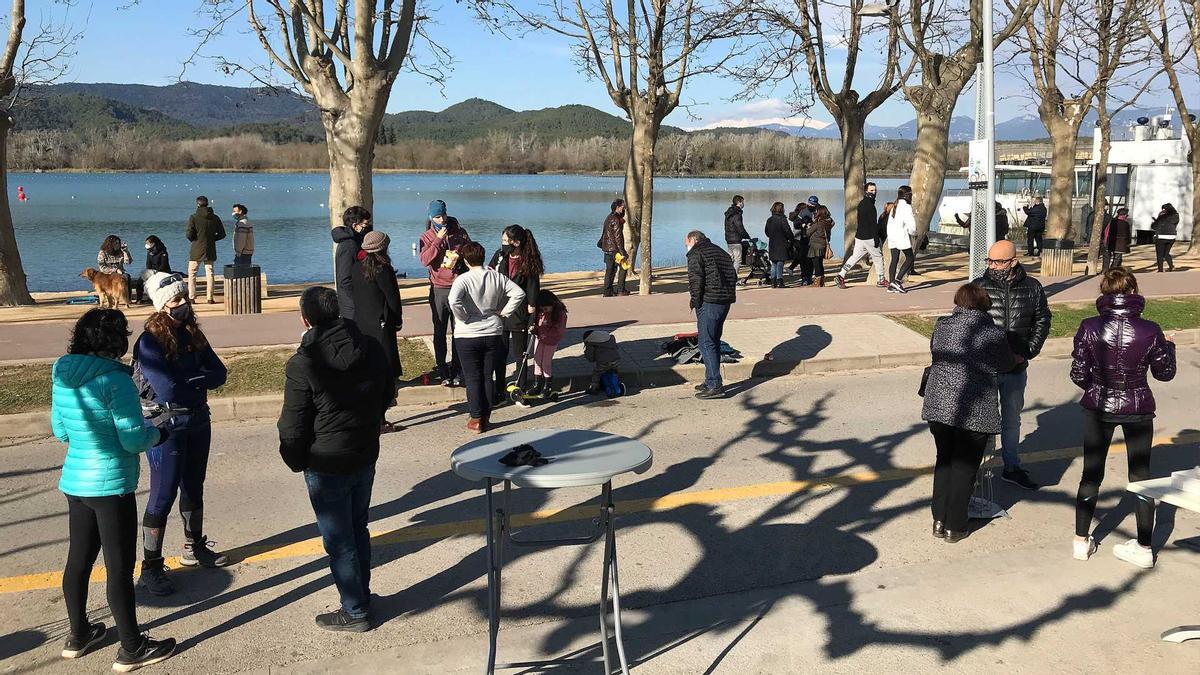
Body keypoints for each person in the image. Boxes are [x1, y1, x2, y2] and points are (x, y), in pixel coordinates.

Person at [51, 309, 178, 671]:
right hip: (111, 485)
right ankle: (132, 648)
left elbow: (61, 431)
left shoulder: (62, 372)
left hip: (76, 482)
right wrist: (158, 430)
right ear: (114, 341)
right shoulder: (116, 381)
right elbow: (132, 439)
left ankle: (78, 635)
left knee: (79, 560)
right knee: (119, 568)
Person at [277, 286, 394, 632]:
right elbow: (387, 392)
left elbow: (292, 425)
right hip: (363, 452)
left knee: (340, 539)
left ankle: (356, 610)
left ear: (305, 319)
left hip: (326, 461)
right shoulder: (370, 346)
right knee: (358, 528)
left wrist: (297, 459)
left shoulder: (303, 363)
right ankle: (361, 596)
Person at [1070, 269, 1176, 566]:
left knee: (1091, 474)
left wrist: (1098, 384)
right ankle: (1144, 547)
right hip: (1138, 404)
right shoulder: (1149, 329)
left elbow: (1078, 374)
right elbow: (1164, 374)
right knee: (1141, 477)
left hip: (1099, 404)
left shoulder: (1089, 327)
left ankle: (1080, 541)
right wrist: (1169, 346)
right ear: (1134, 291)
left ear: (1104, 293)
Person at [134, 272, 230, 596]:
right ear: (162, 306)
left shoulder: (193, 335)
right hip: (164, 428)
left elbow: (220, 373)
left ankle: (194, 546)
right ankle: (150, 567)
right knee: (163, 495)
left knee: (194, 486)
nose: (183, 305)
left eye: (184, 298)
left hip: (198, 421)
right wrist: (196, 379)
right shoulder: (149, 342)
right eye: (175, 301)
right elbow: (164, 389)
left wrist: (189, 380)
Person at [922, 284, 1019, 543]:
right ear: (985, 304)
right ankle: (955, 525)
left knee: (945, 461)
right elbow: (1006, 364)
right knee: (964, 467)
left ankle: (939, 519)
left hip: (939, 406)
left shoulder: (942, 325)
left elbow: (935, 351)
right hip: (973, 410)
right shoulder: (992, 333)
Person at [972, 239, 1052, 490]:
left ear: (1014, 261)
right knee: (983, 420)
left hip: (1016, 367)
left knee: (1011, 419)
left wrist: (1029, 350)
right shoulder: (979, 286)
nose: (993, 266)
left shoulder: (1032, 287)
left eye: (999, 261)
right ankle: (978, 470)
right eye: (990, 261)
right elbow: (969, 323)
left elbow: (1042, 319)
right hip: (985, 369)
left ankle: (1011, 466)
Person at [448, 242, 525, 433]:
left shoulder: (463, 279)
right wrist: (504, 312)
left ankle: (475, 418)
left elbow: (453, 301)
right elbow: (519, 293)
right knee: (487, 376)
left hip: (467, 333)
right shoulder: (497, 276)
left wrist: (463, 316)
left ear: (466, 260)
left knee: (472, 377)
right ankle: (486, 415)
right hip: (492, 330)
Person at [419, 199, 471, 385]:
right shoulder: (426, 236)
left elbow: (471, 253)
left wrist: (462, 257)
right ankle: (442, 369)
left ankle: (457, 369)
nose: (441, 219)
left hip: (458, 286)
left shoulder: (460, 232)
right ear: (431, 217)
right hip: (439, 288)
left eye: (443, 215)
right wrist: (439, 239)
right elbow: (425, 260)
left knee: (459, 330)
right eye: (437, 216)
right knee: (439, 330)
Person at [489, 224, 542, 400]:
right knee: (500, 352)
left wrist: (533, 313)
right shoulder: (499, 256)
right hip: (499, 310)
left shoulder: (528, 261)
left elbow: (533, 289)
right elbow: (488, 275)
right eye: (502, 240)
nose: (503, 244)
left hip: (519, 312)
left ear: (516, 242)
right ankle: (499, 388)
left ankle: (521, 386)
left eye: (506, 241)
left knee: (520, 353)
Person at [685, 230, 737, 399]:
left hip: (709, 301)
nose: (686, 247)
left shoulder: (696, 253)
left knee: (706, 342)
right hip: (725, 300)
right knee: (713, 340)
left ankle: (715, 383)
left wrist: (695, 301)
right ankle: (709, 380)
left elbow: (696, 280)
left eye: (686, 243)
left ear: (693, 240)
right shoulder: (720, 251)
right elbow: (733, 276)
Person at [352, 231, 404, 385]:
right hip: (381, 318)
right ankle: (390, 383)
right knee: (387, 352)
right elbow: (392, 297)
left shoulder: (356, 267)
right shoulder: (383, 269)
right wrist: (397, 320)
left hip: (362, 318)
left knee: (369, 353)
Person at [835, 182, 887, 289]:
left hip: (859, 237)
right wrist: (876, 238)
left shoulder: (861, 204)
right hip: (869, 237)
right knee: (878, 258)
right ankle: (881, 279)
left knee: (855, 257)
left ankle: (841, 275)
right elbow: (873, 224)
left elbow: (861, 222)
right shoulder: (870, 206)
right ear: (866, 191)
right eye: (871, 190)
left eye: (875, 190)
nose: (874, 192)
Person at [523, 289, 568, 405]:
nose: (544, 310)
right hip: (540, 337)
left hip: (551, 340)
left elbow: (559, 330)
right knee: (537, 360)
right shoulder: (541, 311)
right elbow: (537, 322)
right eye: (542, 309)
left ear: (553, 304)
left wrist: (545, 332)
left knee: (546, 362)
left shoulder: (560, 313)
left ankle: (547, 385)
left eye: (546, 308)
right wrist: (535, 329)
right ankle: (537, 384)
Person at [333, 205, 373, 323]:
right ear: (356, 226)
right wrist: (359, 298)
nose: (369, 227)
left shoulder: (356, 241)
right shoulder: (349, 245)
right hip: (352, 307)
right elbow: (344, 279)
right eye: (365, 225)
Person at [185, 196, 225, 304]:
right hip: (210, 248)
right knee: (210, 273)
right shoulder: (215, 217)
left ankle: (192, 297)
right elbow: (222, 234)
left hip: (196, 249)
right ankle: (210, 298)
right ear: (207, 204)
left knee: (192, 273)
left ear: (197, 204)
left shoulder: (193, 217)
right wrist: (212, 239)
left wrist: (194, 240)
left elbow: (189, 234)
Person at [886, 186, 917, 294]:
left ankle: (891, 284)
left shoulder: (895, 205)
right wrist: (914, 233)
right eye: (911, 194)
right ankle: (897, 281)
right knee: (910, 258)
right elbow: (911, 224)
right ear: (907, 195)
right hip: (901, 236)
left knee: (894, 259)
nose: (912, 196)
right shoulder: (906, 207)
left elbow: (889, 223)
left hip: (892, 236)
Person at [599, 198, 630, 296]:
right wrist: (622, 252)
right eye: (623, 207)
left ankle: (607, 291)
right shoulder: (616, 220)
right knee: (623, 267)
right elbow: (618, 237)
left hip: (607, 248)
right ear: (618, 207)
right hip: (614, 249)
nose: (624, 209)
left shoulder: (609, 217)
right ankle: (621, 290)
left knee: (610, 271)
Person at [788, 196, 820, 281]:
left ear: (816, 204)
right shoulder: (803, 212)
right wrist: (803, 224)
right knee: (803, 258)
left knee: (812, 259)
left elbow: (828, 223)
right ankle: (804, 277)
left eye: (812, 205)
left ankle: (811, 277)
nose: (810, 206)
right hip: (804, 239)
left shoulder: (820, 211)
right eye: (809, 204)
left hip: (815, 239)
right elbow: (796, 224)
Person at [583, 329, 622, 396]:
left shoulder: (590, 343)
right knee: (615, 371)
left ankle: (594, 388)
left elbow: (590, 356)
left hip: (603, 362)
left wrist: (592, 358)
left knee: (596, 374)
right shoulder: (609, 338)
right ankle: (617, 383)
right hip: (616, 359)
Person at [97, 235, 133, 303]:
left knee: (127, 277)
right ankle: (110, 299)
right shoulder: (103, 253)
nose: (118, 245)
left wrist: (126, 252)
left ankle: (127, 299)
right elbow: (102, 267)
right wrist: (115, 270)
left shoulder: (121, 251)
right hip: (107, 273)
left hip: (120, 273)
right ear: (110, 244)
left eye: (118, 243)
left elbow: (128, 262)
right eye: (116, 243)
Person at [764, 202, 792, 289]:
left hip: (773, 243)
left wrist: (772, 236)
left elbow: (766, 232)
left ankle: (773, 281)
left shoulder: (769, 219)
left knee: (774, 263)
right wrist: (791, 239)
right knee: (780, 262)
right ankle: (780, 281)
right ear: (781, 209)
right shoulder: (782, 219)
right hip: (782, 243)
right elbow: (787, 231)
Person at [136, 236, 171, 304]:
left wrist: (155, 273)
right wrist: (149, 272)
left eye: (148, 243)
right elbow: (148, 264)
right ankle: (139, 299)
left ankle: (157, 298)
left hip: (162, 271)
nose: (147, 245)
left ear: (154, 243)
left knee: (157, 281)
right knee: (140, 280)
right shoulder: (149, 252)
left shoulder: (163, 252)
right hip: (152, 271)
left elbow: (164, 265)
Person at [806, 205, 834, 287]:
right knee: (820, 264)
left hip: (815, 245)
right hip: (823, 245)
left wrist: (808, 227)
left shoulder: (819, 223)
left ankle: (817, 282)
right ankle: (821, 282)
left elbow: (808, 233)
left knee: (816, 264)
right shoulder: (828, 222)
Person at [1150, 203, 1179, 273]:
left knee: (1160, 254)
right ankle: (1171, 266)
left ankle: (1160, 270)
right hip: (1172, 237)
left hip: (1161, 237)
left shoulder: (1162, 216)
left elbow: (1154, 226)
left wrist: (1156, 220)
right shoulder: (1176, 216)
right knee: (1166, 253)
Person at [724, 195, 750, 269]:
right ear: (739, 202)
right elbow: (740, 227)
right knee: (737, 260)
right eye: (743, 202)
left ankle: (728, 277)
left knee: (730, 259)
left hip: (729, 239)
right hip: (736, 240)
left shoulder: (729, 212)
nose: (743, 204)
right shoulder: (737, 213)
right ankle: (734, 278)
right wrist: (747, 236)